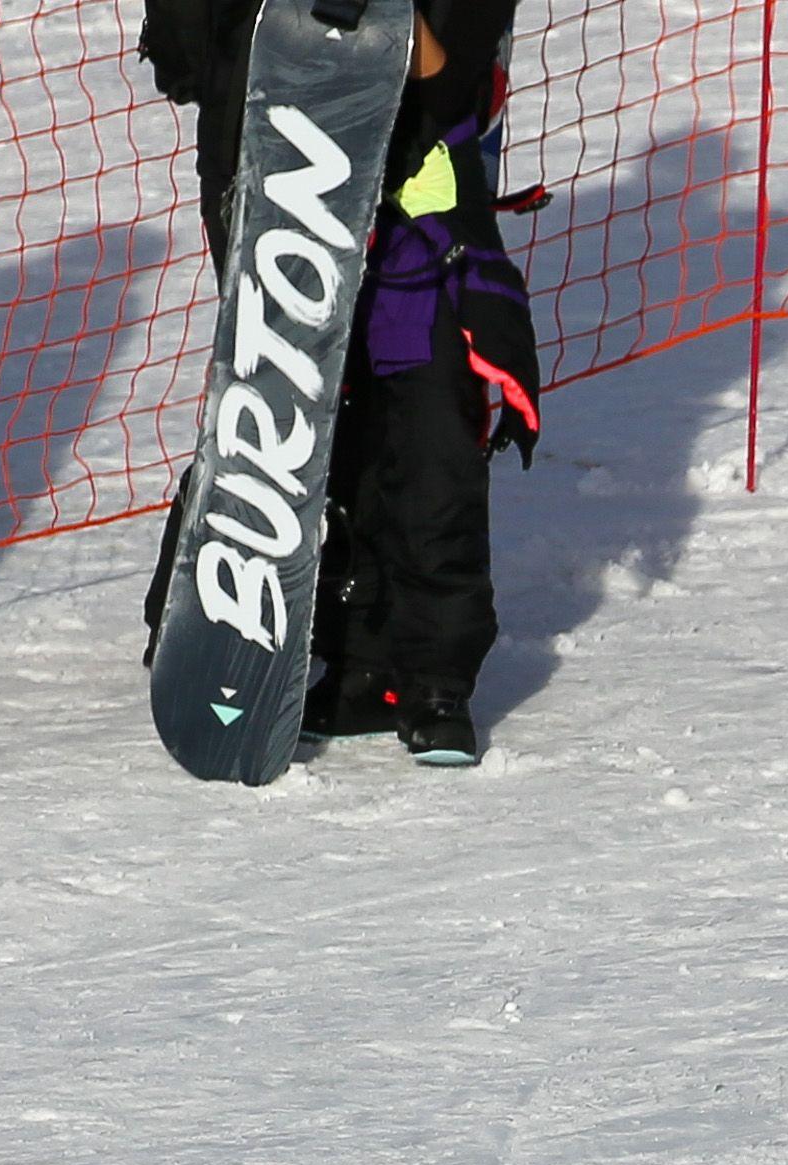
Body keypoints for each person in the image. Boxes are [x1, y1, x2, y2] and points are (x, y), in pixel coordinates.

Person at [137, 0, 539, 763]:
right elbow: (185, 64)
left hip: (416, 208)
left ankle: (432, 679)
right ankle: (345, 651)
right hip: (270, 185)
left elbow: (450, 85)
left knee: (426, 433)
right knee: (298, 413)